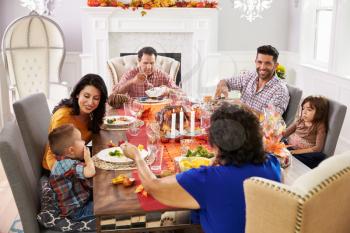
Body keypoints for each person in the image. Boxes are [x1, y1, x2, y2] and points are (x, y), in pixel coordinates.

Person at [121, 103, 281, 233]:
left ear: (216, 143)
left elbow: (152, 186)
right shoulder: (272, 163)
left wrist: (136, 155)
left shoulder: (208, 179)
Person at [43, 73, 108, 170]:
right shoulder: (63, 117)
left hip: (78, 160)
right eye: (86, 96)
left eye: (96, 98)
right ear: (77, 94)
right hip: (60, 171)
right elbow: (52, 155)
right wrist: (77, 171)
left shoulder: (91, 114)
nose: (90, 102)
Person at [214, 45, 289, 115]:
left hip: (255, 128)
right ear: (255, 62)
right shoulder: (250, 76)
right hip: (237, 121)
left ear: (276, 66)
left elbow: (271, 120)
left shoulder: (280, 90)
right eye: (259, 62)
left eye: (267, 63)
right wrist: (223, 86)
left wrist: (242, 107)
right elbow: (225, 82)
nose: (262, 67)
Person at [48, 124, 95, 220]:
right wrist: (88, 159)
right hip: (77, 211)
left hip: (81, 200)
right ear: (71, 150)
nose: (84, 141)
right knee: (106, 207)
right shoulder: (68, 165)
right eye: (81, 140)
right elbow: (90, 172)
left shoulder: (63, 161)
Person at [112, 46, 178, 98]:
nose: (149, 67)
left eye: (152, 63)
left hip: (156, 110)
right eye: (145, 63)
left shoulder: (162, 75)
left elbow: (179, 93)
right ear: (139, 61)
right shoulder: (131, 74)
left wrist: (169, 90)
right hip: (135, 110)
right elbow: (114, 92)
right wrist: (132, 81)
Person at [283, 96, 329, 168]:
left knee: (309, 160)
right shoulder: (299, 121)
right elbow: (285, 133)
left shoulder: (320, 126)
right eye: (303, 109)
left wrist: (296, 152)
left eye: (309, 110)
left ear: (319, 112)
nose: (304, 112)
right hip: (290, 147)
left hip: (304, 153)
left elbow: (318, 148)